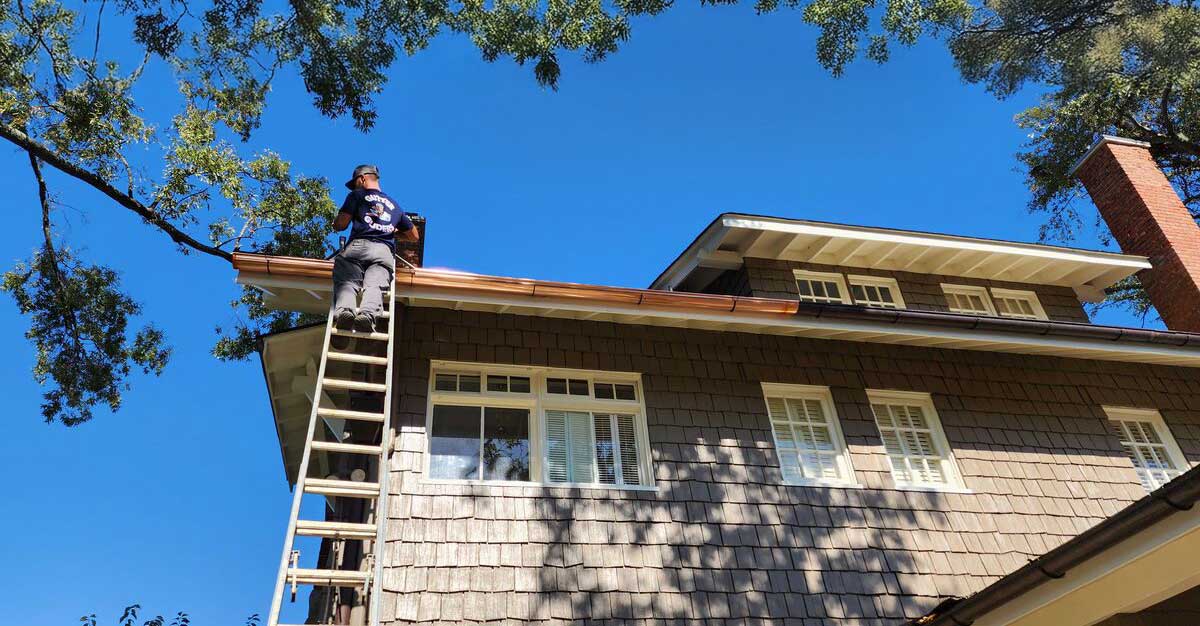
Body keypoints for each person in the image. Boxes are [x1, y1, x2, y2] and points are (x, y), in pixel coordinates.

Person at [331, 164, 420, 331]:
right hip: (383, 251)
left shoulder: (357, 195)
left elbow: (342, 224)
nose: (355, 186)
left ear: (362, 178)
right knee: (375, 286)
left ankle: (344, 312)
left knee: (347, 281)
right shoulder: (394, 205)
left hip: (359, 246)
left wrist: (335, 224)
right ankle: (367, 315)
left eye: (356, 182)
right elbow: (414, 236)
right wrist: (393, 232)